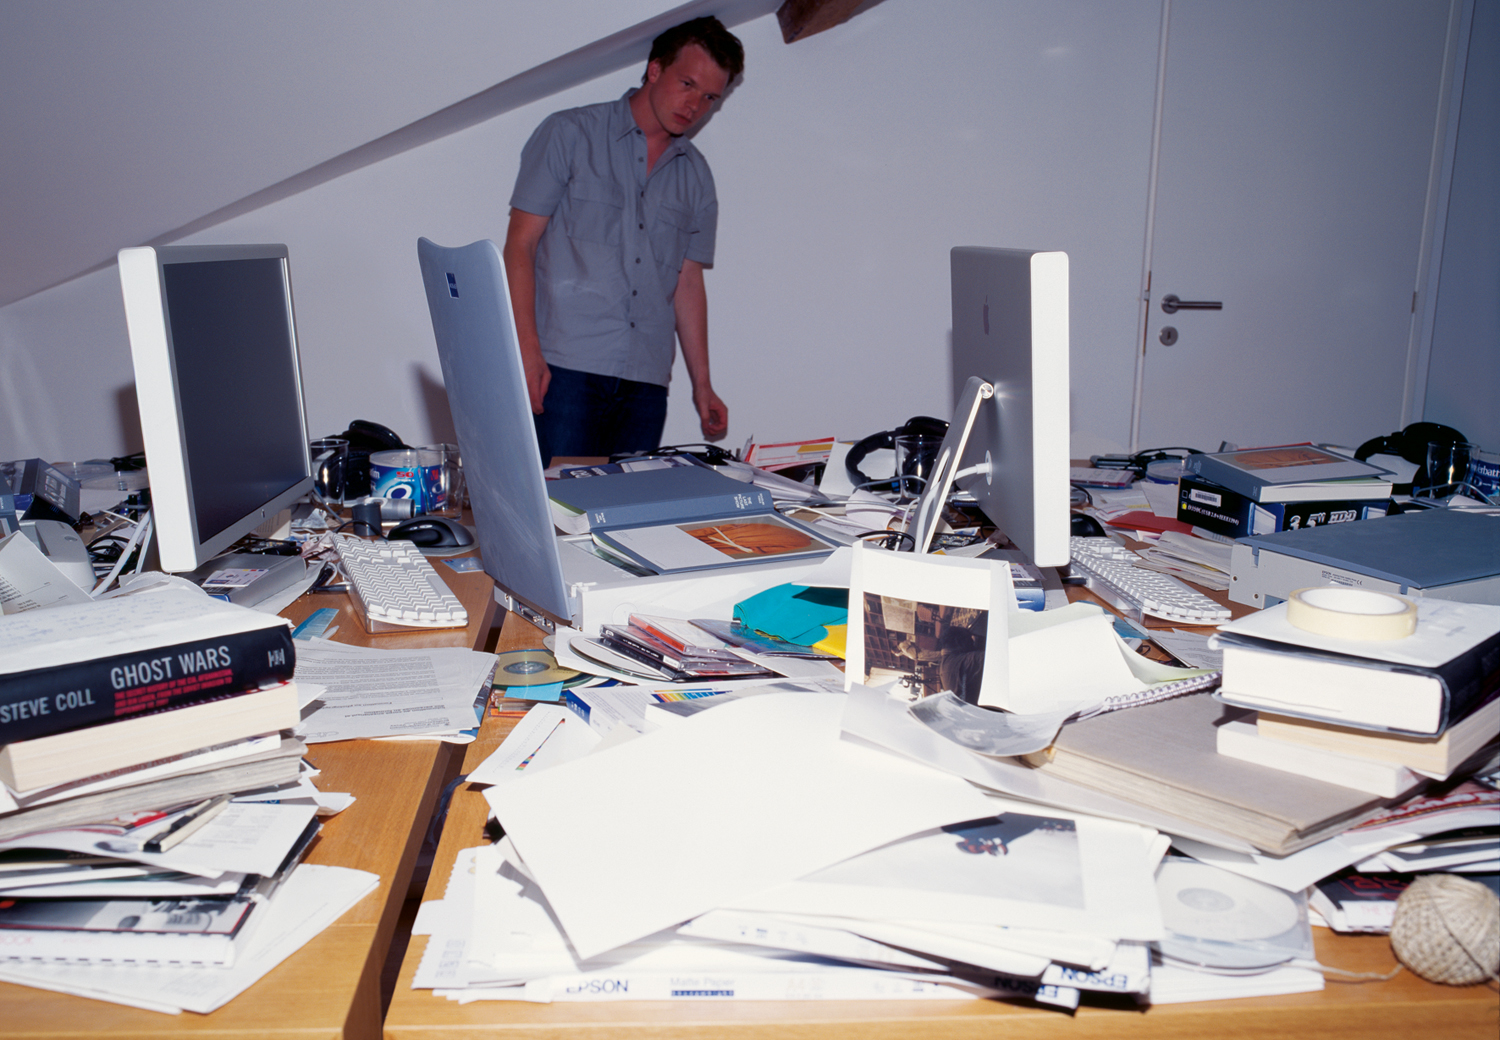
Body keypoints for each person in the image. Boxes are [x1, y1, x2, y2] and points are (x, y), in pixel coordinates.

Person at [503, 17, 744, 464]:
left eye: (710, 97)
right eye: (687, 84)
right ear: (655, 70)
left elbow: (687, 282)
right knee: (557, 516)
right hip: (564, 371)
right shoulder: (569, 135)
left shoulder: (697, 176)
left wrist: (703, 384)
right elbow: (520, 246)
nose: (694, 105)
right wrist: (527, 352)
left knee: (630, 519)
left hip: (647, 383)